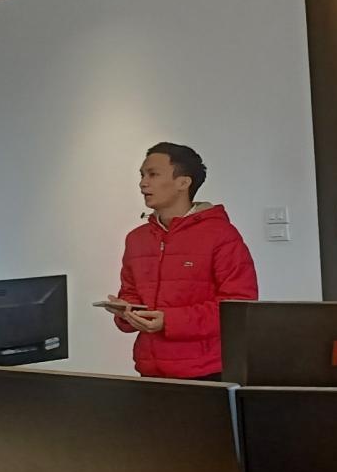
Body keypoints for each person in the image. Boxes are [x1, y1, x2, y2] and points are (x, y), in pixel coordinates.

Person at [105, 142, 258, 380]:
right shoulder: (136, 239)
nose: (143, 183)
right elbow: (130, 292)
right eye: (142, 175)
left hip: (208, 371)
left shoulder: (221, 235)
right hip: (150, 371)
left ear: (183, 183)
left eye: (153, 174)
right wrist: (127, 312)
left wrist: (169, 321)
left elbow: (238, 307)